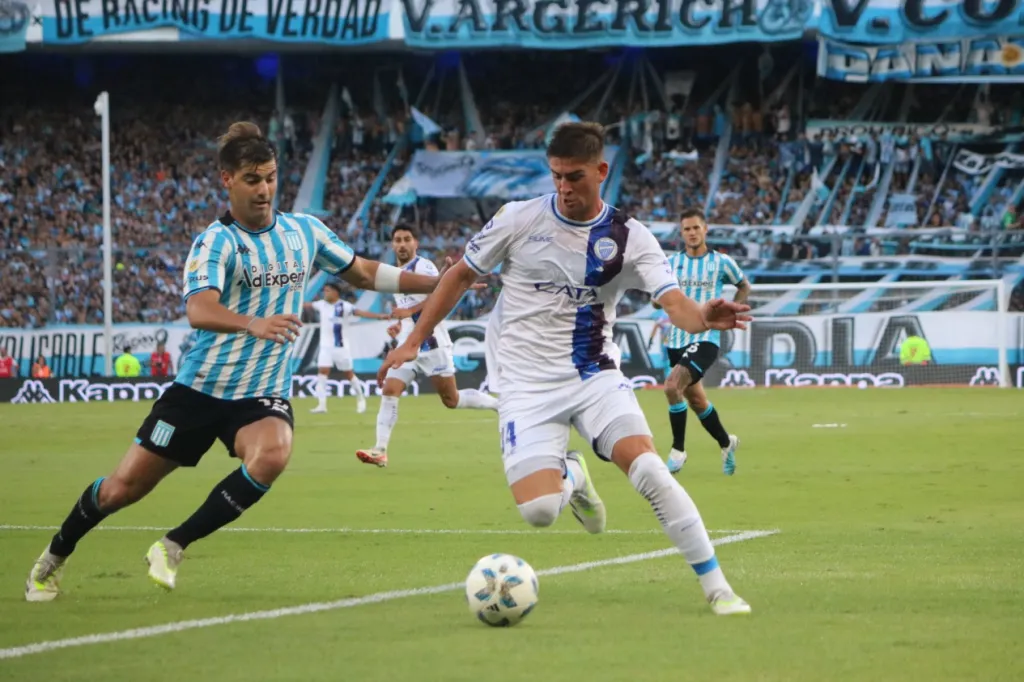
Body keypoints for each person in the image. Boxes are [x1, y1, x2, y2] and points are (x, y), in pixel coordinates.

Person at [25, 121, 449, 602]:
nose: (265, 188)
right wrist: (253, 323)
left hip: (260, 393)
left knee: (273, 453)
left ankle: (174, 544)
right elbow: (197, 308)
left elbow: (367, 273)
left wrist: (442, 281)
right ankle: (53, 558)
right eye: (252, 179)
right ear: (226, 180)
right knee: (122, 489)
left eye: (270, 176)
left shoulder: (304, 231)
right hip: (199, 391)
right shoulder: (215, 242)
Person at [379, 122, 753, 615]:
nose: (563, 187)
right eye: (555, 176)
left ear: (601, 170)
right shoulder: (517, 218)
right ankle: (572, 475)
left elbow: (674, 301)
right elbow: (460, 275)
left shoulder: (630, 237)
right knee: (538, 512)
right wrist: (412, 340)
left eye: (574, 176)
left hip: (593, 375)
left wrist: (704, 316)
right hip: (524, 385)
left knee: (649, 471)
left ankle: (718, 588)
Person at [356, 224, 498, 469]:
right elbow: (408, 311)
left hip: (432, 343)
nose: (402, 244)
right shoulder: (396, 274)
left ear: (416, 243)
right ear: (392, 245)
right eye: (397, 240)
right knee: (390, 390)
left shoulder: (423, 267)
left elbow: (440, 296)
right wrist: (400, 325)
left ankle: (499, 405)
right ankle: (380, 450)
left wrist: (409, 311)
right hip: (407, 345)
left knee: (451, 399)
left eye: (407, 239)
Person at [659, 209, 750, 476]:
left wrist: (736, 307)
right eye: (687, 229)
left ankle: (678, 450)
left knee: (671, 386)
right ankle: (726, 442)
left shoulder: (722, 262)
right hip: (676, 338)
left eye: (696, 228)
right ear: (682, 232)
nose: (692, 233)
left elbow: (744, 285)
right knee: (697, 401)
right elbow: (657, 297)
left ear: (705, 229)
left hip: (706, 337)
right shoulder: (672, 263)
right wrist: (661, 298)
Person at [303, 280, 388, 414]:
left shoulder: (345, 306)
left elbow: (360, 313)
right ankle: (322, 405)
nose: (325, 293)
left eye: (327, 290)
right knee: (322, 374)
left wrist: (379, 316)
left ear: (336, 292)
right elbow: (306, 305)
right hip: (325, 347)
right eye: (324, 291)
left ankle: (361, 399)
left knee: (349, 374)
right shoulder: (321, 305)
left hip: (341, 348)